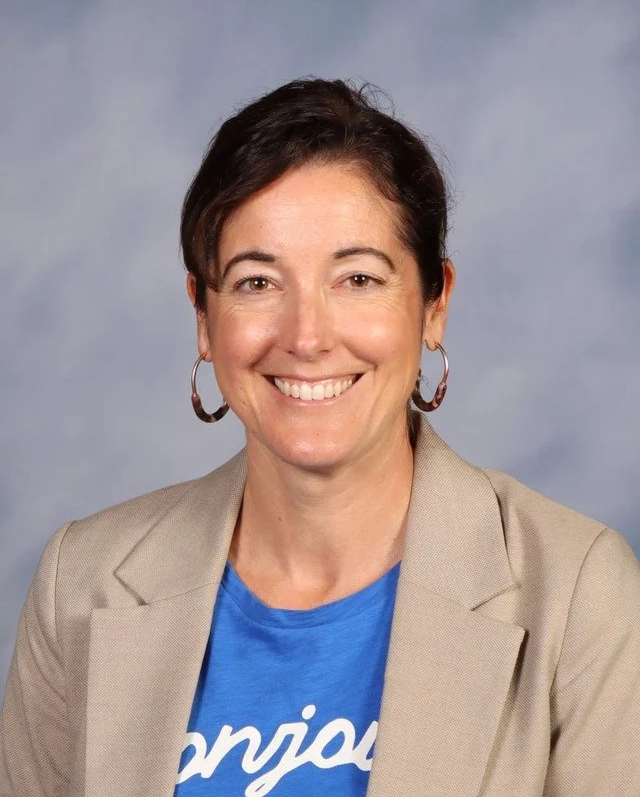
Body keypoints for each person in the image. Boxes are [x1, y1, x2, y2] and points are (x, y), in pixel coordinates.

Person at [1, 77, 639, 797]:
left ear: (435, 305)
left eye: (358, 279)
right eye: (256, 283)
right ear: (204, 319)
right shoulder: (79, 586)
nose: (306, 337)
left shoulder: (579, 593)